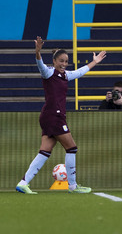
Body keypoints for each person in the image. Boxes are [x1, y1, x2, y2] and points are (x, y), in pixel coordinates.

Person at [16, 36, 106, 194]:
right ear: (54, 61)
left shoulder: (65, 75)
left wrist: (95, 62)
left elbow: (80, 72)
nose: (64, 64)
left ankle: (23, 183)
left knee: (44, 151)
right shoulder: (48, 73)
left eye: (66, 61)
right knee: (71, 148)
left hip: (49, 116)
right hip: (54, 116)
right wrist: (37, 51)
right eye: (61, 61)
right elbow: (40, 64)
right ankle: (72, 186)